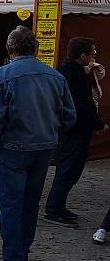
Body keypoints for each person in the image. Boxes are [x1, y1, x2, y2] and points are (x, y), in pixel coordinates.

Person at [0, 26, 76, 261]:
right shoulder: (55, 77)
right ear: (35, 48)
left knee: (12, 204)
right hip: (44, 147)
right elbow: (70, 115)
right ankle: (22, 253)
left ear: (10, 49)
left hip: (13, 147)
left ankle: (11, 260)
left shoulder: (3, 75)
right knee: (30, 202)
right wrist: (52, 133)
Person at [44, 38, 108, 225]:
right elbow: (83, 105)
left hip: (69, 129)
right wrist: (98, 124)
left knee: (69, 170)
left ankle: (58, 206)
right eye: (92, 54)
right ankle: (54, 209)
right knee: (68, 171)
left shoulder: (69, 72)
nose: (94, 57)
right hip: (74, 130)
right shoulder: (74, 75)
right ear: (82, 56)